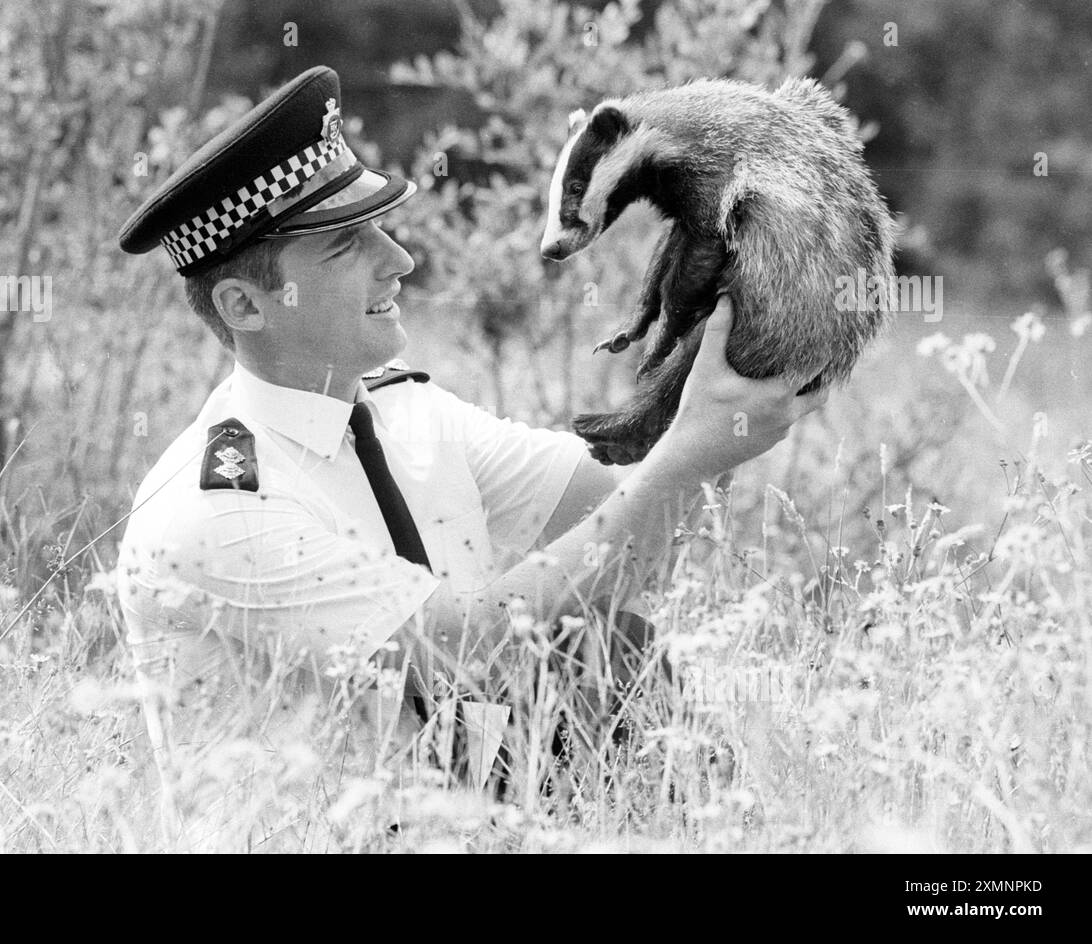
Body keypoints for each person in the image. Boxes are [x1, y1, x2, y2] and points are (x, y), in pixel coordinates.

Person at [114, 66, 826, 777]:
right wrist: (688, 457)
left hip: (463, 822)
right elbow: (466, 648)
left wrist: (744, 319)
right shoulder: (216, 511)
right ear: (245, 306)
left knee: (615, 646)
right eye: (345, 246)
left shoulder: (409, 415)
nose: (400, 260)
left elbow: (644, 508)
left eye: (380, 231)